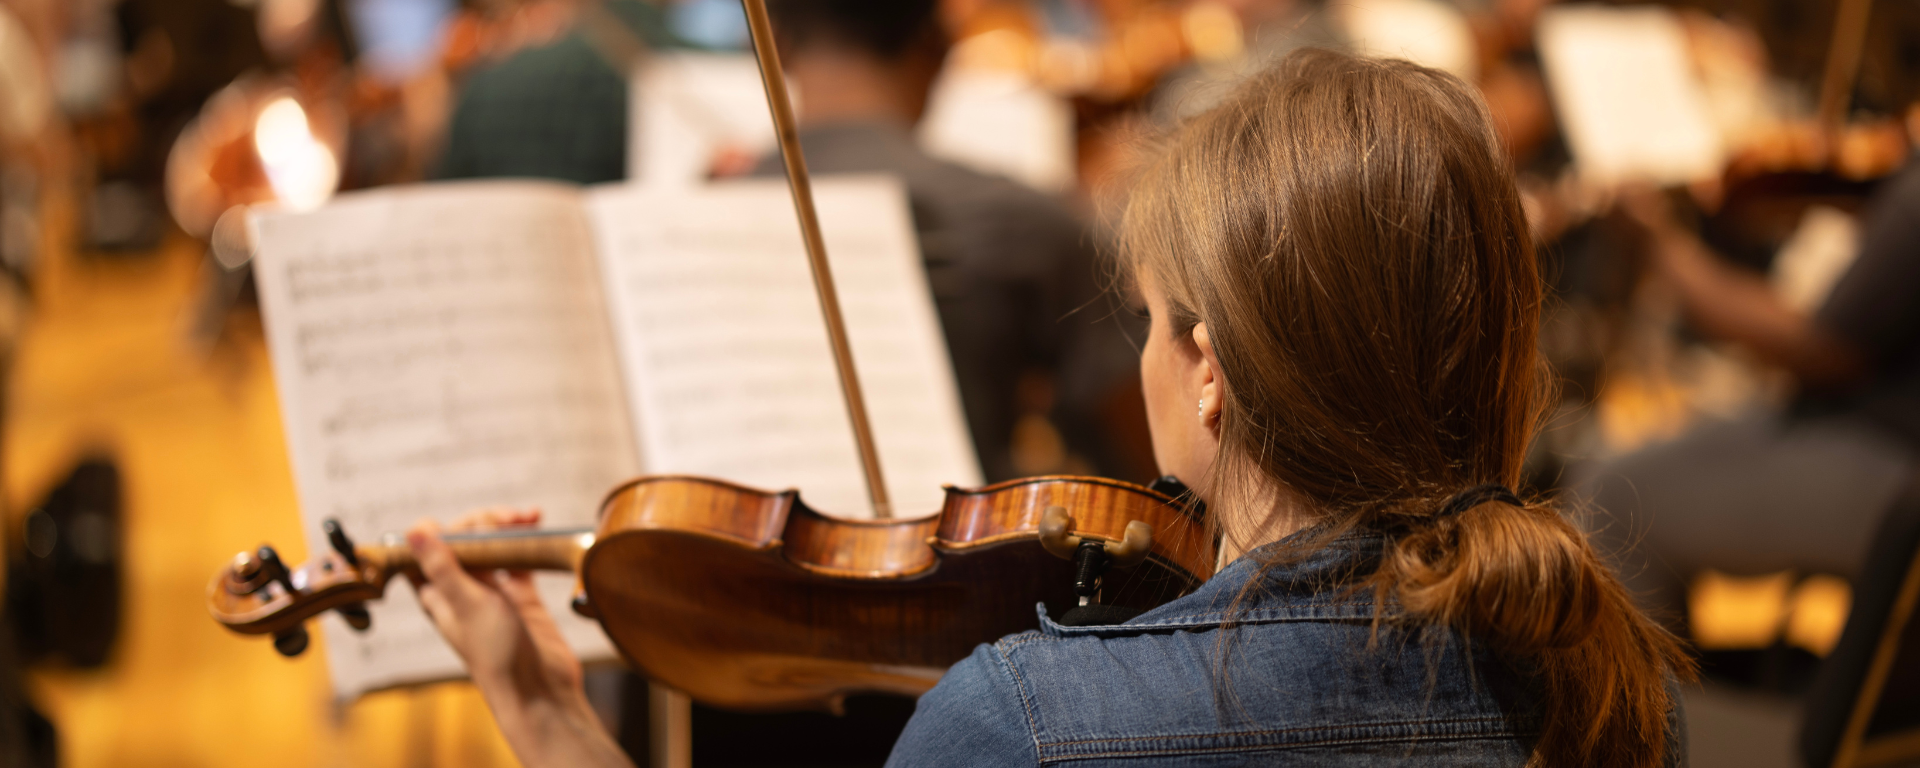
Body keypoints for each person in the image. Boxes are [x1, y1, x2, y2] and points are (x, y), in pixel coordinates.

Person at [405, 49, 1692, 766]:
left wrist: (540, 720)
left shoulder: (1023, 728)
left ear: (1209, 370)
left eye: (1148, 318)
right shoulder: (1603, 689)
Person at [752, 0, 1146, 483]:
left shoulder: (705, 211)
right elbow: (1141, 454)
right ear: (935, 45)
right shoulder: (1025, 221)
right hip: (965, 554)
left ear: (776, 45)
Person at [1578, 166, 1920, 631]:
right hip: (1875, 442)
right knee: (1630, 459)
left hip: (1891, 460)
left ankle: (1646, 704)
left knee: (1614, 501)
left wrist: (1661, 246)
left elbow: (1820, 349)